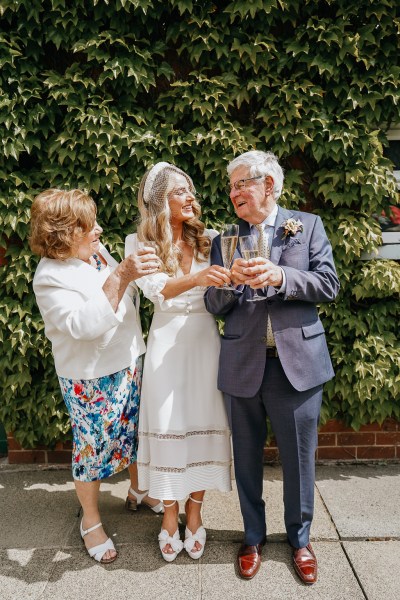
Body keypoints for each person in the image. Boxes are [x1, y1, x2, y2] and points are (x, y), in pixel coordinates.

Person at [204, 150, 340, 584]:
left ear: (269, 185)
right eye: (231, 187)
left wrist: (281, 277)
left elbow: (328, 284)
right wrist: (230, 282)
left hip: (296, 365)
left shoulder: (307, 226)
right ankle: (253, 537)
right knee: (245, 457)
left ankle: (300, 540)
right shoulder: (224, 237)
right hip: (243, 362)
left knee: (300, 460)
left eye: (241, 183)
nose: (234, 193)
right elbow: (213, 303)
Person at [30, 188, 163, 565]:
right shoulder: (49, 277)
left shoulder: (95, 252)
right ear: (63, 233)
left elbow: (128, 294)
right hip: (90, 378)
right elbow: (83, 326)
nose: (99, 231)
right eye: (89, 227)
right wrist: (122, 272)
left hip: (128, 360)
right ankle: (90, 521)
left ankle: (139, 491)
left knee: (135, 431)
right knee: (94, 448)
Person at [125, 162, 232, 562]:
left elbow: (226, 289)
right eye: (180, 192)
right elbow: (158, 292)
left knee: (203, 421)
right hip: (166, 342)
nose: (191, 198)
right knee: (168, 423)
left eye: (191, 191)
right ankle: (169, 515)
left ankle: (194, 511)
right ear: (158, 201)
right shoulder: (138, 244)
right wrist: (199, 280)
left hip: (206, 341)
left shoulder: (210, 240)